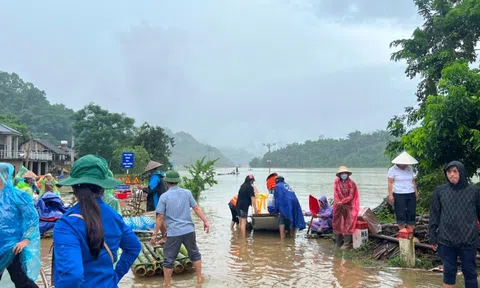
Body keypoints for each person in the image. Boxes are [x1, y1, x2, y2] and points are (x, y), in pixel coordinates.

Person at [53, 155, 141, 287]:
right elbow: (134, 247)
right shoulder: (114, 216)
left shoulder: (66, 224)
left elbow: (72, 276)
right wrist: (115, 277)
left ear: (74, 188)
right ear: (102, 188)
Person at [150, 170, 210, 287]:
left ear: (167, 182)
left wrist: (154, 234)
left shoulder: (164, 196)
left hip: (173, 233)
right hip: (189, 230)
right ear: (178, 182)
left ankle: (167, 283)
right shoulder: (187, 193)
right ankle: (199, 278)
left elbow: (160, 216)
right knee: (195, 254)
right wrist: (205, 221)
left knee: (169, 259)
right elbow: (196, 208)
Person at [429, 161, 480, 288]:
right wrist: (432, 236)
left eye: (455, 171)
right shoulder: (440, 191)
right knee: (449, 270)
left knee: (470, 272)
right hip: (446, 239)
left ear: (461, 172)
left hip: (468, 239)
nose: (451, 174)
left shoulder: (474, 191)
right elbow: (434, 215)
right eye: (449, 172)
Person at [0, 163, 41, 288]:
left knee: (22, 281)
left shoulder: (18, 195)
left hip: (12, 247)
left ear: (4, 175)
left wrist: (25, 239)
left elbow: (32, 218)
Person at [387, 151, 419, 232]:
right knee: (400, 213)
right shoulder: (392, 170)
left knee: (411, 212)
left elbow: (412, 181)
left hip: (410, 193)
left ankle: (410, 231)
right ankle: (402, 232)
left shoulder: (410, 169)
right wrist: (390, 195)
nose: (405, 164)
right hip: (398, 193)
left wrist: (416, 192)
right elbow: (390, 182)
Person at [333, 166, 360, 250]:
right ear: (339, 174)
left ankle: (347, 243)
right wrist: (338, 202)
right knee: (337, 223)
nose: (343, 175)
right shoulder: (336, 182)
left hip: (349, 206)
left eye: (345, 173)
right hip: (338, 205)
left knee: (348, 223)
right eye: (342, 173)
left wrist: (343, 202)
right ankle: (338, 242)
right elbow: (336, 193)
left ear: (348, 174)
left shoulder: (351, 183)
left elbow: (351, 196)